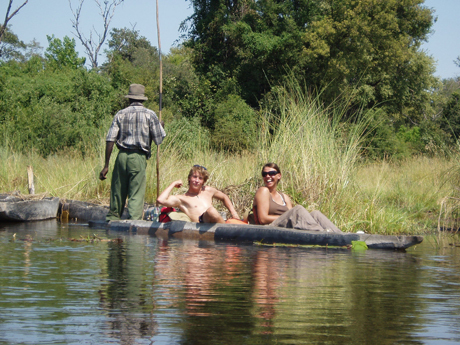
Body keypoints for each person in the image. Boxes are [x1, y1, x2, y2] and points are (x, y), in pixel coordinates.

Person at [99, 84, 166, 221]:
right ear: (142, 99)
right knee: (136, 193)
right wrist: (161, 126)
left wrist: (106, 165)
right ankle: (134, 222)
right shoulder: (150, 114)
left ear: (129, 99)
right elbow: (159, 139)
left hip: (121, 156)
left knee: (118, 191)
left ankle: (112, 220)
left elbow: (110, 139)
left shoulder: (121, 114)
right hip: (138, 157)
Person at [251, 163, 343, 233]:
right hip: (269, 228)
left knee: (315, 214)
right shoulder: (263, 191)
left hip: (285, 227)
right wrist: (287, 216)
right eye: (264, 174)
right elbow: (263, 219)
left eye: (271, 173)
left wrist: (290, 216)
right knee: (297, 210)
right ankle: (320, 233)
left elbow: (292, 216)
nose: (267, 176)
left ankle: (341, 235)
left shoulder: (284, 197)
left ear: (279, 176)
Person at [157, 165, 240, 223]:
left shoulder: (208, 190)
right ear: (189, 178)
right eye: (194, 177)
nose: (196, 181)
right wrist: (174, 183)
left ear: (203, 181)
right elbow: (161, 200)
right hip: (200, 225)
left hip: (214, 223)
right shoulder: (182, 199)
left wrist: (234, 213)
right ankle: (226, 230)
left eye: (200, 178)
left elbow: (224, 197)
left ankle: (228, 228)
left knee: (212, 211)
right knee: (211, 211)